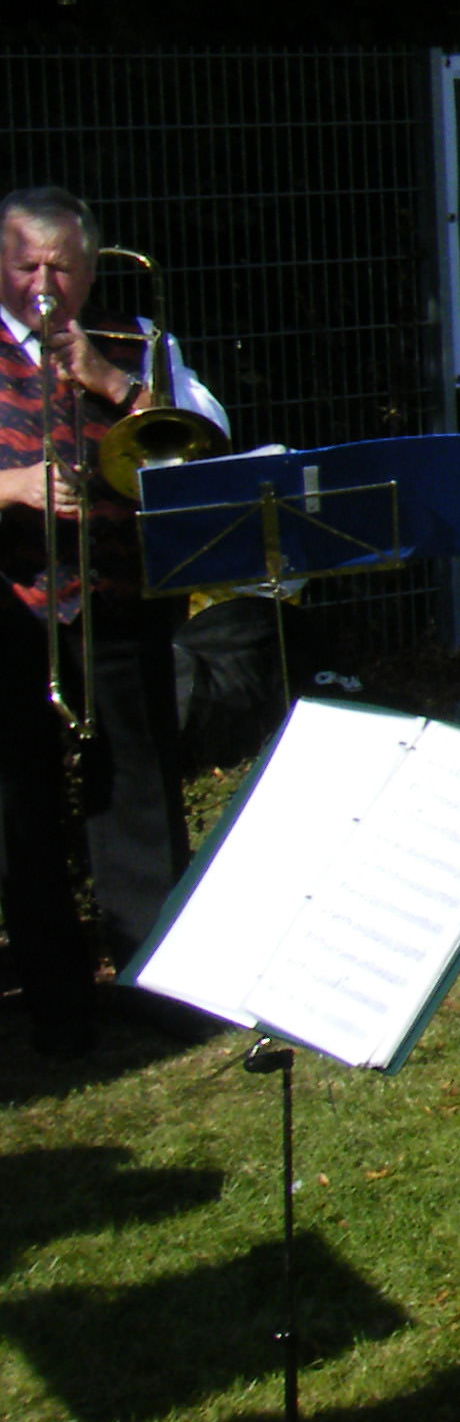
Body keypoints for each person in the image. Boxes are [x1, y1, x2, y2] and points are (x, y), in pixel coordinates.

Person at [0, 186, 231, 1055]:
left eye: (61, 268)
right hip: (14, 610)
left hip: (121, 600)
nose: (43, 285)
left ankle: (158, 986)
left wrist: (106, 379)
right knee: (22, 807)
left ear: (91, 270)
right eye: (26, 266)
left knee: (137, 793)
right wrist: (13, 486)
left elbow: (205, 441)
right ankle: (56, 1006)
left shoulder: (138, 341)